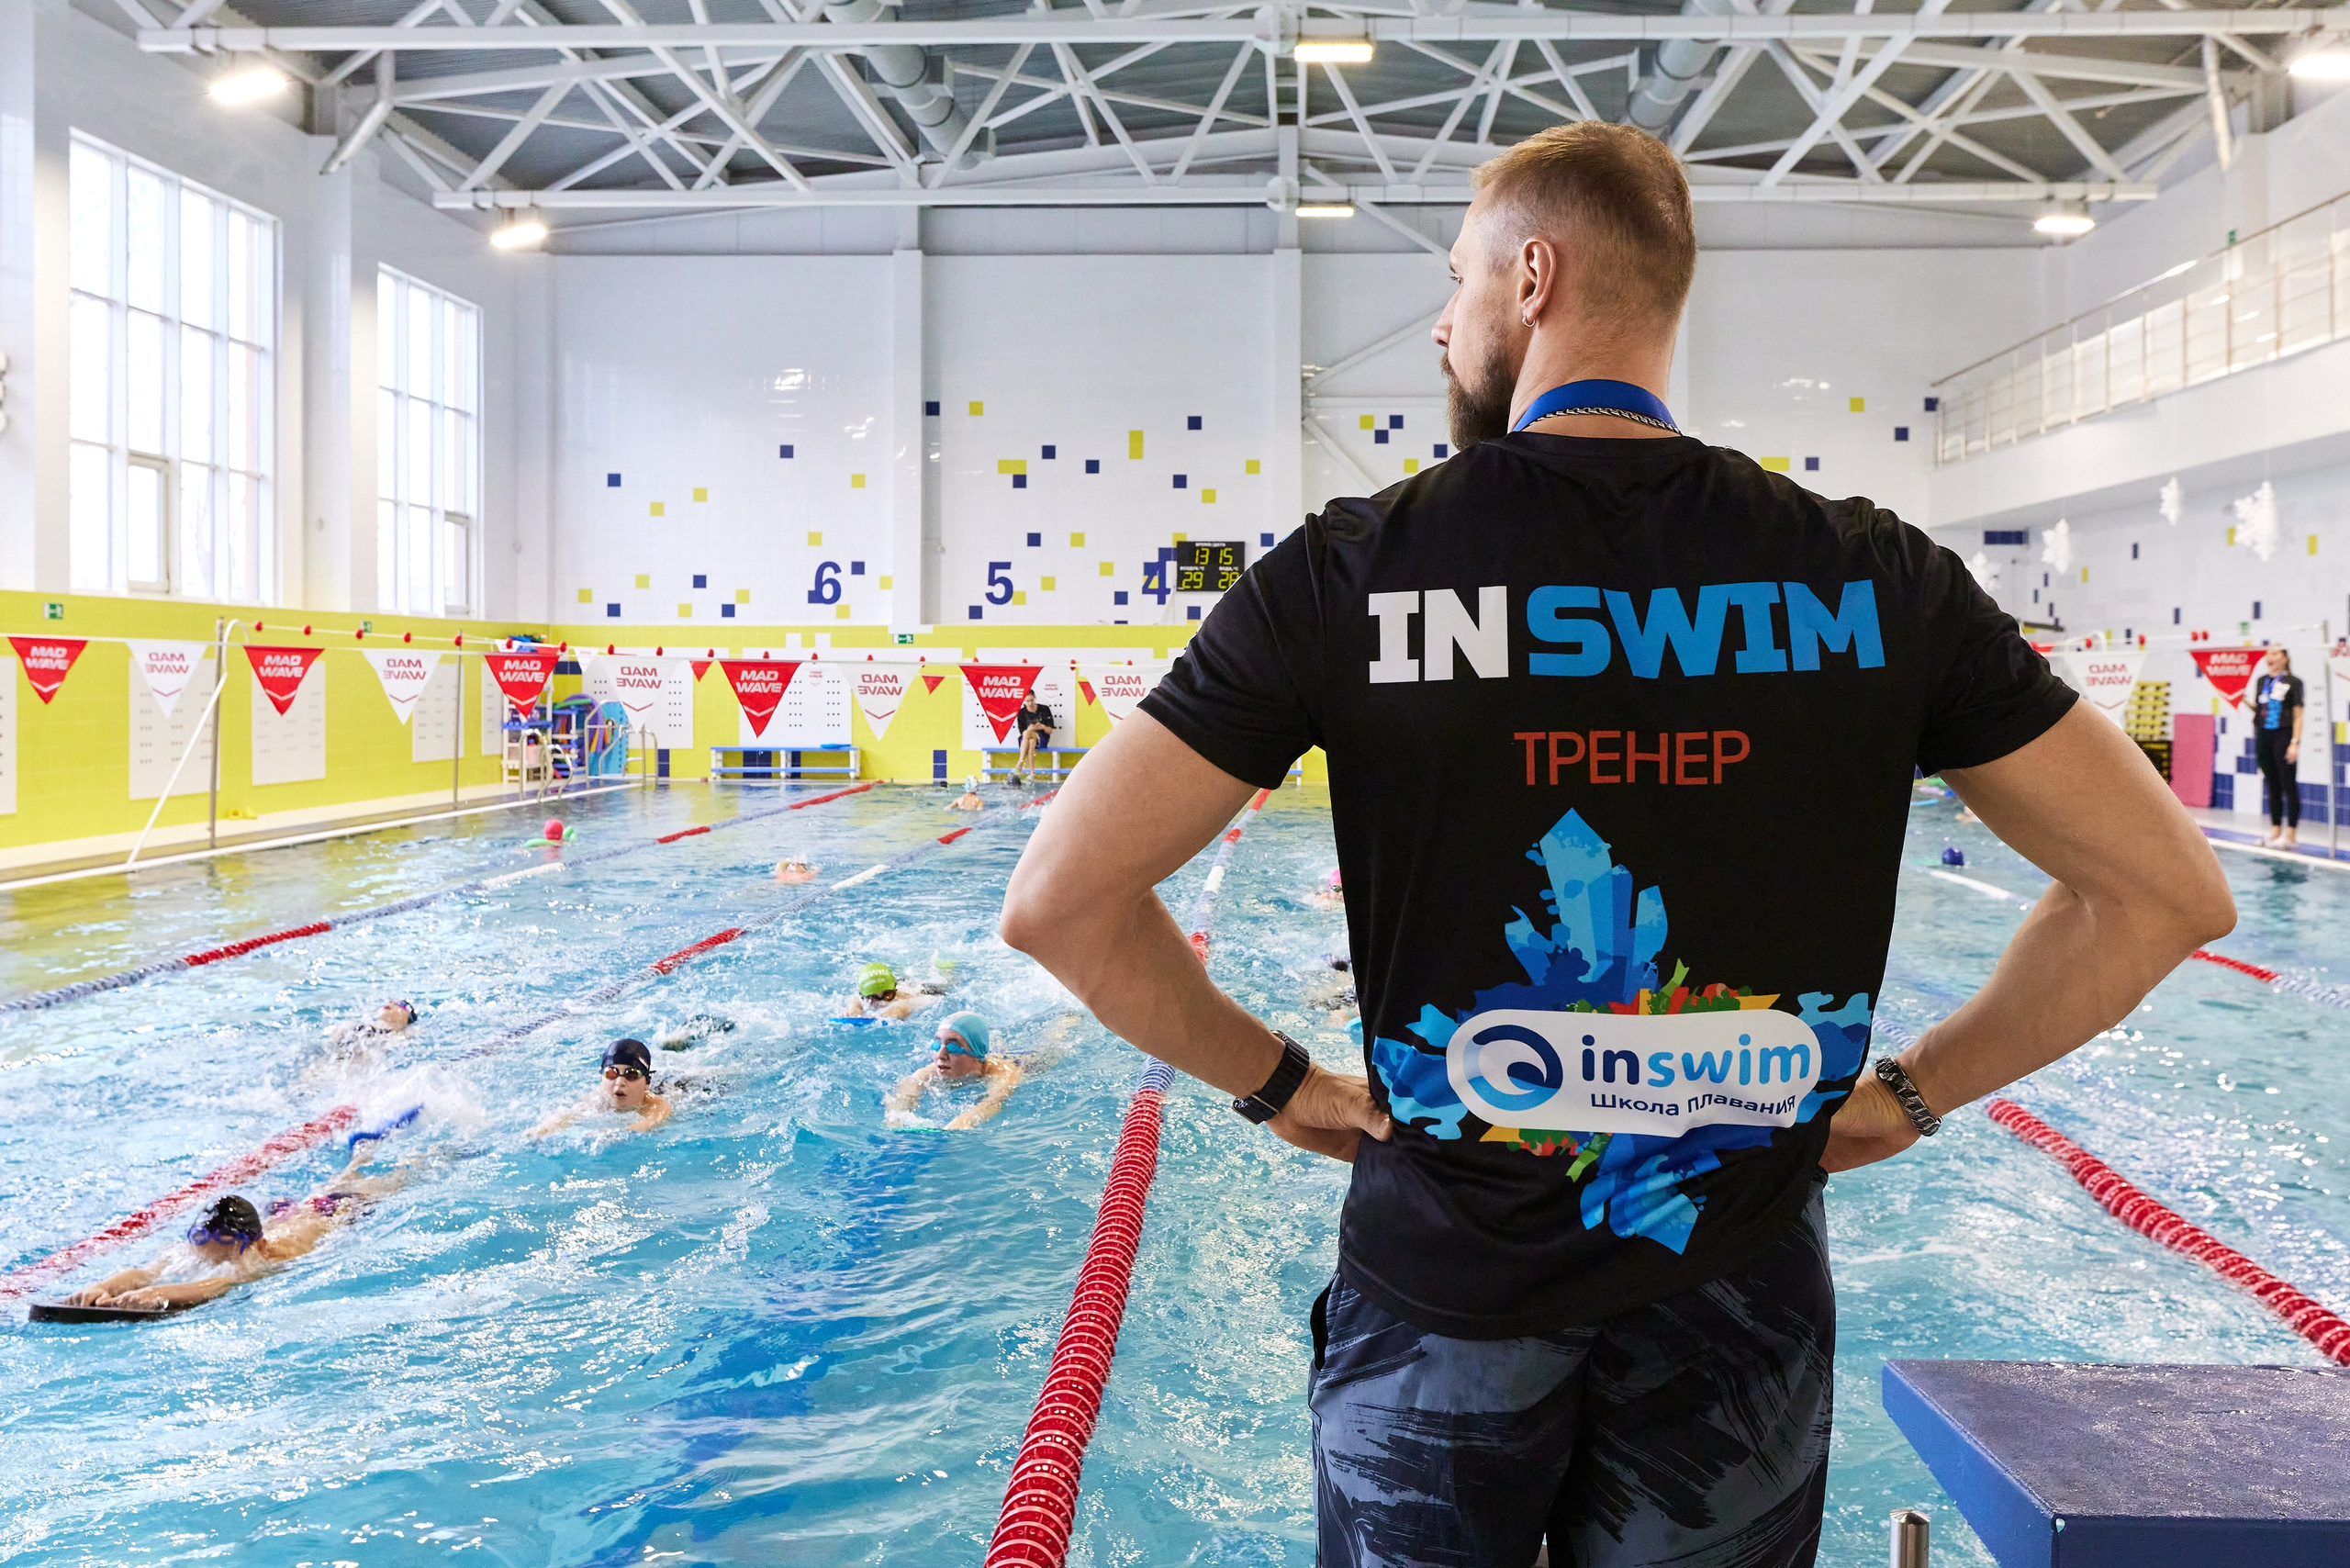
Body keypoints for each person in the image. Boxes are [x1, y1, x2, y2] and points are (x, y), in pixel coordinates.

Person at [999, 121, 2234, 1568]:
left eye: (1455, 284)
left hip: (1440, 1297)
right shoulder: (1872, 574)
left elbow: (1060, 901)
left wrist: (1279, 1085)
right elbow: (2165, 893)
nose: (1444, 328)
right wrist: (1909, 1095)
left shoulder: (1351, 567)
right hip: (1740, 1299)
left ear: (1535, 276)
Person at [62, 1148, 405, 1312]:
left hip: (336, 1212)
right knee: (337, 1178)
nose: (206, 1248)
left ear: (251, 1243)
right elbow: (145, 1271)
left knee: (386, 1182)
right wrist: (103, 1286)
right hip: (288, 1214)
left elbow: (225, 1283)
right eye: (200, 1238)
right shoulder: (195, 1249)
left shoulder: (257, 1257)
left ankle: (416, 1158)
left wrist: (161, 1295)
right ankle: (360, 1156)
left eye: (222, 1240)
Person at [885, 1011, 1024, 1131]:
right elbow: (906, 1092)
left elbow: (994, 1101)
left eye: (953, 1047)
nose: (940, 1055)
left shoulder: (1004, 1071)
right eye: (937, 1044)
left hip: (1025, 1059)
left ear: (975, 1054)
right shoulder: (930, 1071)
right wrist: (896, 1118)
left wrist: (966, 1119)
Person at [529, 1038, 673, 1137]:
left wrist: (618, 1134)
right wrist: (545, 1129)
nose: (620, 1082)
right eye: (611, 1073)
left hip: (673, 1083)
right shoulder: (598, 1099)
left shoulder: (657, 1105)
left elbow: (649, 1123)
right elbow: (569, 1115)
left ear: (646, 1083)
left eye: (631, 1074)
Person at [2253, 646, 2305, 848]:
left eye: (2275, 654)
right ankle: (2275, 832)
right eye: (2268, 654)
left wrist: (2295, 743)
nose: (2270, 657)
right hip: (2263, 735)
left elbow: (2298, 715)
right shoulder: (2261, 681)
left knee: (2288, 783)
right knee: (2272, 783)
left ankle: (2291, 835)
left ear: (2285, 658)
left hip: (2283, 735)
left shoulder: (2294, 682)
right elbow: (2260, 709)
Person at [844, 960, 943, 1020]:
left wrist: (884, 1016)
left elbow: (902, 1007)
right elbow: (854, 999)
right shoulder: (864, 998)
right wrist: (854, 1010)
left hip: (928, 988)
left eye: (888, 996)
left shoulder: (904, 999)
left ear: (894, 989)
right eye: (872, 997)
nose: (880, 1002)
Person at [322, 1000, 415, 1063]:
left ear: (407, 1018)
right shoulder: (355, 1025)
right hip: (330, 1062)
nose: (390, 1003)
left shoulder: (403, 1034)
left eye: (400, 1004)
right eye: (390, 1001)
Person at [1013, 696, 1055, 783]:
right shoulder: (1022, 712)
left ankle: (1020, 763)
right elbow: (1022, 732)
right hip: (1027, 740)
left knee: (1026, 734)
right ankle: (1032, 773)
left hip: (1042, 737)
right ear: (1024, 701)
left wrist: (1042, 726)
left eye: (1032, 700)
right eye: (1027, 701)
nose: (1030, 703)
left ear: (1035, 698)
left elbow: (1050, 731)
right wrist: (1030, 729)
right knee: (1031, 741)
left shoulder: (1044, 709)